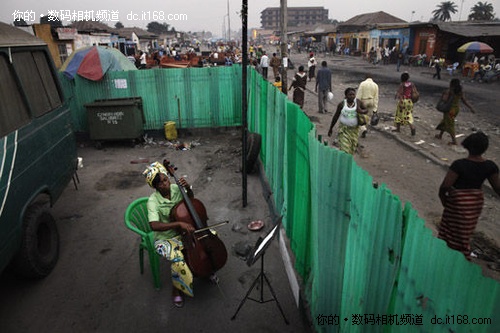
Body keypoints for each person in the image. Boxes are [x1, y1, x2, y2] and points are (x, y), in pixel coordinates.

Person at [437, 132, 500, 259]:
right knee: (465, 231)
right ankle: (461, 254)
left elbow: (445, 186)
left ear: (468, 146)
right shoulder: (490, 166)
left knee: (449, 230)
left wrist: (445, 201)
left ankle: (446, 254)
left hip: (457, 203)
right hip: (474, 205)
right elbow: (498, 188)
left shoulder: (459, 165)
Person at [143, 162, 195, 308]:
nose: (165, 184)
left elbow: (191, 201)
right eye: (160, 183)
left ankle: (205, 269)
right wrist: (178, 224)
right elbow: (154, 225)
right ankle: (177, 291)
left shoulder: (176, 188)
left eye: (166, 180)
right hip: (164, 239)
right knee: (178, 259)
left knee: (206, 238)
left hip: (182, 232)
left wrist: (187, 188)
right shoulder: (152, 201)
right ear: (155, 187)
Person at [435, 78, 476, 145]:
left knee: (449, 124)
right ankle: (440, 135)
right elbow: (464, 101)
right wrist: (470, 107)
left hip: (449, 109)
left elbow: (445, 99)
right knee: (446, 121)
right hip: (456, 109)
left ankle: (454, 141)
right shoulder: (460, 91)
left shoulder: (450, 91)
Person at [327, 87, 367, 155]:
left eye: (353, 94)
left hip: (354, 131)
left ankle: (348, 163)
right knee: (345, 150)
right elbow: (336, 117)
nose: (352, 96)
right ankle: (344, 163)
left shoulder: (358, 102)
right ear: (346, 96)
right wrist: (331, 128)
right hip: (344, 131)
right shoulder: (342, 104)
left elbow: (366, 110)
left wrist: (361, 111)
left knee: (351, 150)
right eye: (350, 95)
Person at [356, 73, 379, 138]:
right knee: (368, 117)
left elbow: (359, 95)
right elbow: (376, 97)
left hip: (364, 101)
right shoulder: (375, 85)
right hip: (371, 101)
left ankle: (363, 128)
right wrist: (375, 109)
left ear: (365, 77)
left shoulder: (363, 84)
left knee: (360, 116)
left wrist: (357, 104)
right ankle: (365, 128)